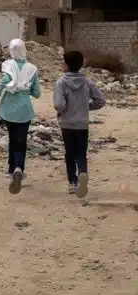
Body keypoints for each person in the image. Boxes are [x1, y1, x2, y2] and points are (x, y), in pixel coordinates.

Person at [0, 39, 41, 195]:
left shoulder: (8, 65)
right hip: (24, 110)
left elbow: (5, 80)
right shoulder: (32, 69)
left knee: (12, 139)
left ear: (11, 51)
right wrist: (26, 89)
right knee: (21, 141)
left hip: (9, 109)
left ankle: (12, 169)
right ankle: (19, 167)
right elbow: (37, 93)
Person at [53, 50, 106, 198]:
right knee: (81, 153)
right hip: (82, 124)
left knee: (69, 153)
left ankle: (72, 182)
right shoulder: (87, 82)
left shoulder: (60, 83)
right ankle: (83, 172)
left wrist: (64, 109)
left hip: (67, 124)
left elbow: (58, 104)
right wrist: (85, 106)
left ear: (66, 65)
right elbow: (101, 101)